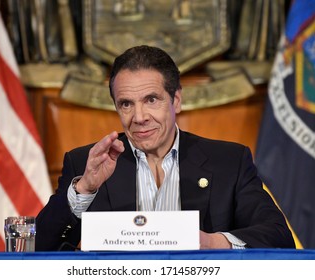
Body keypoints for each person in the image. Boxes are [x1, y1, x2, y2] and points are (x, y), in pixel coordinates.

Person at [35, 45, 295, 251]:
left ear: (176, 100)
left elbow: (278, 235)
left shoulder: (229, 161)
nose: (139, 116)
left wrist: (213, 243)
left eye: (151, 100)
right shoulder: (88, 164)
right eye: (126, 103)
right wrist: (84, 190)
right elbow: (41, 246)